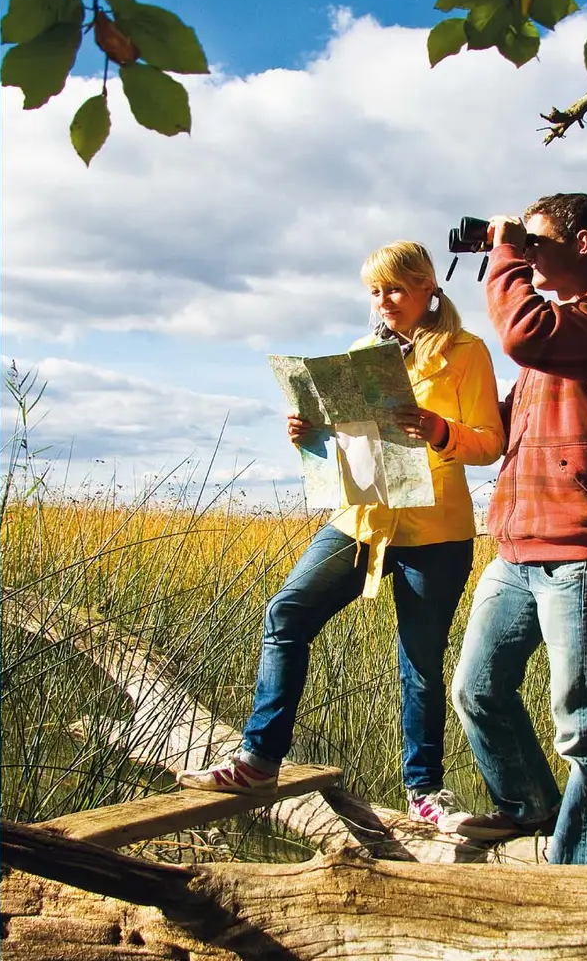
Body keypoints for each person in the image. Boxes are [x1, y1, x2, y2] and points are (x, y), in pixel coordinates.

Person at [179, 241, 504, 826]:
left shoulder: (465, 351)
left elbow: (489, 442)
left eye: (396, 289)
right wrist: (307, 433)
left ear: (429, 287)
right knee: (287, 613)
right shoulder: (360, 353)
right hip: (359, 521)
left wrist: (436, 427)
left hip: (435, 529)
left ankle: (426, 792)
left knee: (420, 663)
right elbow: (344, 445)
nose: (384, 302)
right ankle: (259, 761)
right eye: (375, 292)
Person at [450, 192, 587, 864]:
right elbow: (497, 433)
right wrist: (430, 420)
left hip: (578, 544)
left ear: (581, 244)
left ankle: (583, 870)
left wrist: (504, 249)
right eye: (521, 243)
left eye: (535, 239)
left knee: (583, 723)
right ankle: (531, 810)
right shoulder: (552, 347)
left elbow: (523, 331)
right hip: (517, 545)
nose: (522, 250)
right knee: (477, 688)